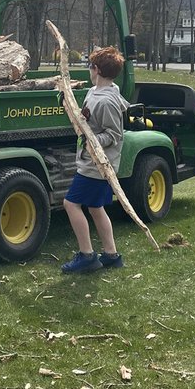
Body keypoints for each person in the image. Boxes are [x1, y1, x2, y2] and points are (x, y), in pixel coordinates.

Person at [61, 46, 129, 274]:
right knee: (96, 207)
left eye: (90, 66)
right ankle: (111, 255)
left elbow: (114, 135)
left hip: (97, 165)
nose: (89, 70)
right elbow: (89, 118)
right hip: (90, 160)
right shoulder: (97, 91)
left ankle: (87, 256)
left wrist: (90, 138)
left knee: (70, 204)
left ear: (96, 69)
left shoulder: (107, 100)